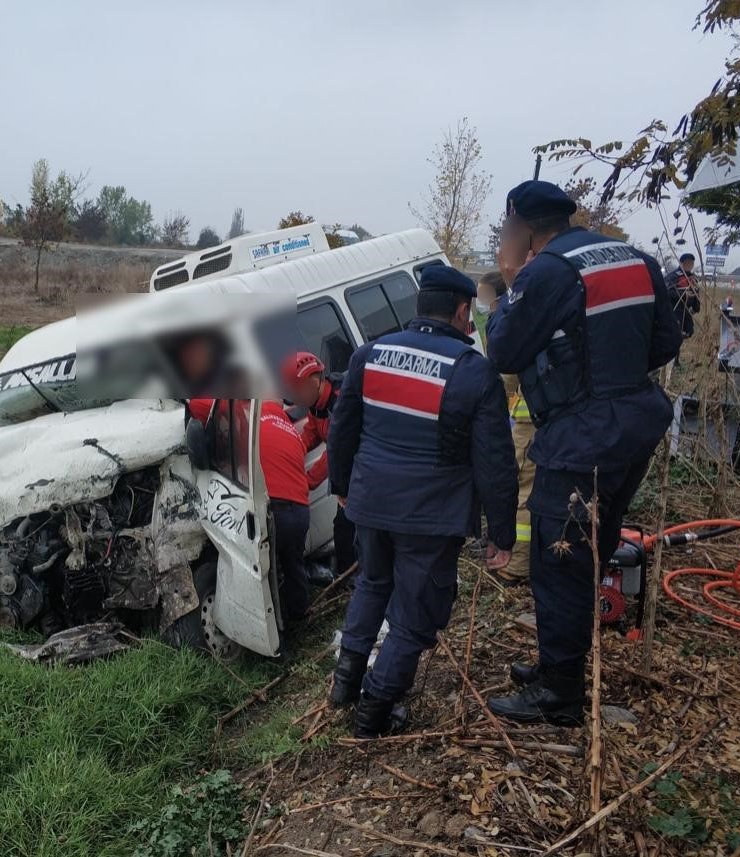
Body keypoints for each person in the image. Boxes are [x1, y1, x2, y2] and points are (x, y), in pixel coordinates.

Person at [485, 180, 681, 726]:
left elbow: (502, 349)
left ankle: (560, 693)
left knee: (560, 561)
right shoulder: (635, 258)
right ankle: (559, 662)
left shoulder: (545, 271)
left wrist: (508, 282)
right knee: (594, 548)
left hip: (582, 440)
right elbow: (665, 343)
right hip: (635, 427)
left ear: (522, 228)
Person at [326, 265, 518, 739]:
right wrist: (502, 533)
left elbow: (342, 428)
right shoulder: (473, 371)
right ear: (460, 311)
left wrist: (342, 486)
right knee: (414, 615)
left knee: (372, 584)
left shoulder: (369, 355)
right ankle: (373, 713)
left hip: (369, 502)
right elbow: (495, 462)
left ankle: (345, 685)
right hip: (430, 517)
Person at [187, 397, 312, 624]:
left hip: (274, 511)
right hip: (301, 510)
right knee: (294, 567)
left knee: (264, 576)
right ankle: (300, 619)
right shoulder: (287, 426)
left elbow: (199, 404)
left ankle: (275, 636)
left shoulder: (249, 414)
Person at [477, 271, 534, 584]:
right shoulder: (530, 309)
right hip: (534, 418)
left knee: (523, 489)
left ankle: (517, 566)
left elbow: (506, 376)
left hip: (529, 421)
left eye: (485, 296)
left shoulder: (513, 319)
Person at [281, 351, 357, 579]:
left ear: (314, 382)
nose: (294, 400)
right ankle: (349, 574)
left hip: (361, 470)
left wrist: (304, 483)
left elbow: (336, 452)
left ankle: (351, 578)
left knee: (348, 527)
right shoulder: (317, 405)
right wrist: (291, 451)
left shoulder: (341, 400)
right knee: (345, 526)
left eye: (296, 391)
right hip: (347, 472)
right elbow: (312, 433)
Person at [665, 253, 701, 339]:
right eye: (687, 263)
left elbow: (696, 294)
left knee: (688, 331)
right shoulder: (673, 276)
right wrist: (683, 294)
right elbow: (667, 292)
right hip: (675, 310)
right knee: (675, 334)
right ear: (681, 263)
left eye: (691, 263)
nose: (689, 265)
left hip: (687, 311)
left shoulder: (693, 278)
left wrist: (696, 306)